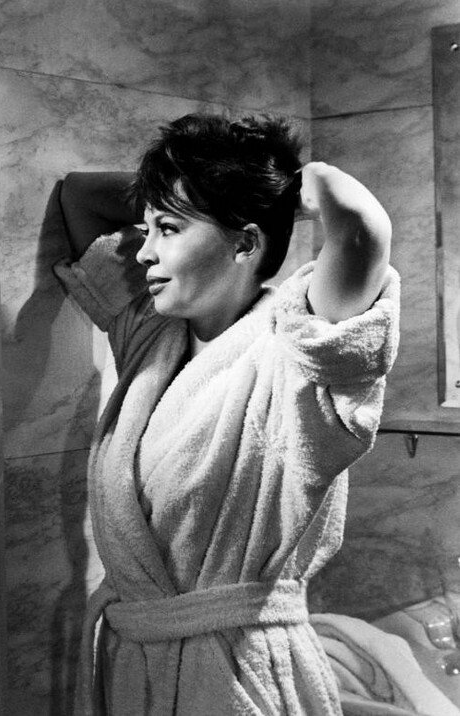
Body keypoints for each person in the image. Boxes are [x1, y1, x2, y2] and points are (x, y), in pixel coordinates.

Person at [52, 113, 399, 714]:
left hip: (240, 677)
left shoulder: (297, 360)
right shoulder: (150, 334)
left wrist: (293, 187)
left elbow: (361, 226)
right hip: (136, 668)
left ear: (244, 242)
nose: (144, 251)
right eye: (146, 228)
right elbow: (79, 195)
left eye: (168, 229)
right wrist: (182, 190)